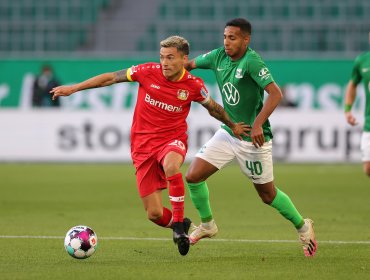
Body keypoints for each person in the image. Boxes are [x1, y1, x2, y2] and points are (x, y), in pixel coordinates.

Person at [50, 35, 249, 256]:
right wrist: (73, 88)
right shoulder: (146, 71)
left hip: (172, 140)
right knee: (154, 214)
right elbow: (110, 78)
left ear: (184, 59)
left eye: (170, 57)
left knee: (172, 166)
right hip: (142, 146)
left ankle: (179, 230)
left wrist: (232, 126)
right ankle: (180, 224)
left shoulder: (193, 85)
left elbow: (213, 107)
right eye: (162, 57)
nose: (164, 62)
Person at [184, 18, 317, 257]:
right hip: (229, 132)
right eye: (225, 37)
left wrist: (257, 124)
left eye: (232, 38)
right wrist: (169, 70)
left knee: (268, 195)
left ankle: (303, 226)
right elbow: (190, 65)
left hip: (254, 140)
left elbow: (275, 94)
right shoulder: (217, 57)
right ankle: (207, 225)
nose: (226, 42)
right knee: (193, 176)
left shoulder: (252, 62)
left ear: (246, 40)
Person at [344, 49, 370, 177]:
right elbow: (352, 84)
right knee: (368, 168)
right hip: (369, 122)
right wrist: (348, 109)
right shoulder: (362, 61)